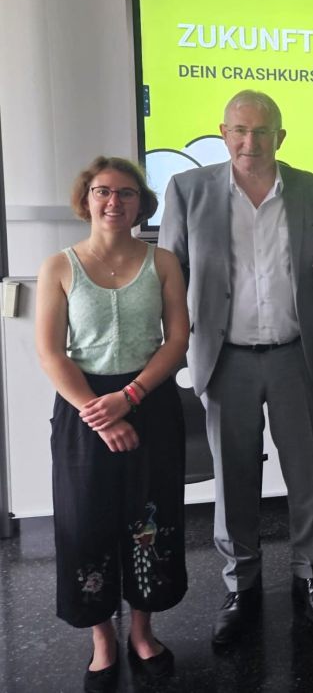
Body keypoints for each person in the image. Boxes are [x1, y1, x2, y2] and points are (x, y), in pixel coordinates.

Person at [159, 90, 313, 646]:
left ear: (280, 137)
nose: (249, 142)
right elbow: (171, 278)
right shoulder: (188, 190)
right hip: (226, 358)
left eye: (262, 131)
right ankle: (242, 585)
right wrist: (173, 351)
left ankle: (311, 575)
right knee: (234, 476)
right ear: (223, 132)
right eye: (239, 130)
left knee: (308, 473)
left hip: (293, 353)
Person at [36, 156, 189, 691]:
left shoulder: (163, 262)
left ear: (140, 203)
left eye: (126, 193)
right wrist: (100, 416)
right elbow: (51, 354)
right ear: (86, 199)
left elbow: (177, 340)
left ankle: (142, 633)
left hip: (149, 401)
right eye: (102, 191)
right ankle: (101, 639)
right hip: (84, 409)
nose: (113, 202)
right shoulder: (59, 267)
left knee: (150, 518)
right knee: (86, 523)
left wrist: (131, 396)